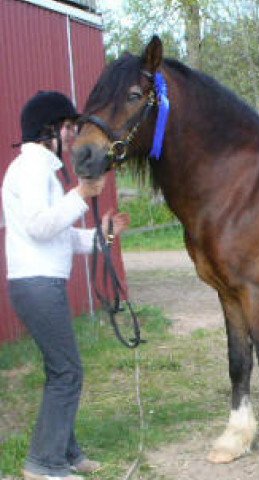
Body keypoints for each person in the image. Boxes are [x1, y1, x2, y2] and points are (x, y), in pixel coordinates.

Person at [1, 91, 130, 480]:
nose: (73, 135)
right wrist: (80, 195)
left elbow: (60, 236)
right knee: (67, 372)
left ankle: (67, 452)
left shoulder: (44, 171)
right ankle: (43, 464)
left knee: (62, 370)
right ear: (49, 131)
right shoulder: (31, 170)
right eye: (69, 128)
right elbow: (41, 227)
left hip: (41, 283)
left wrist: (100, 235)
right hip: (38, 284)